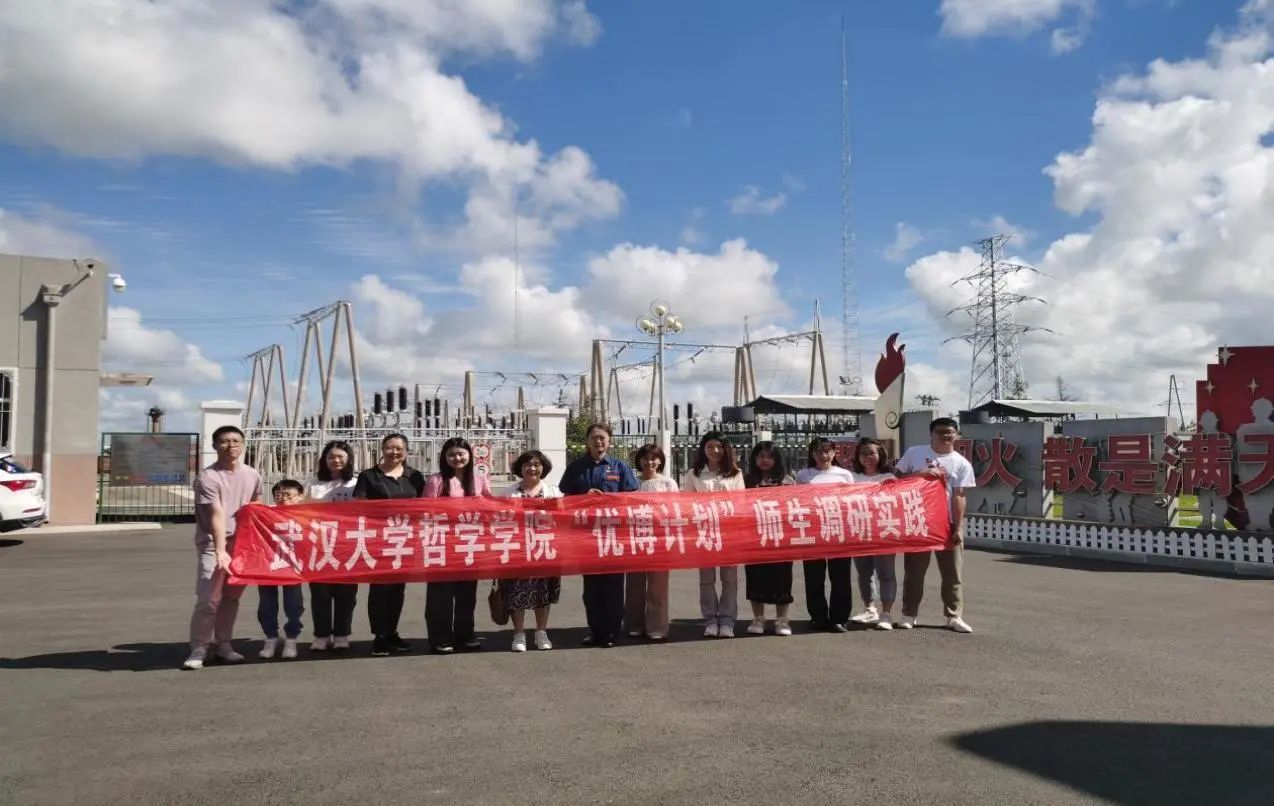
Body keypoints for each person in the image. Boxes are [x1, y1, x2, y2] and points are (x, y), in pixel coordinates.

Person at [182, 425, 264, 670]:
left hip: (242, 544)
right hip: (213, 543)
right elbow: (216, 515)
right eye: (225, 441)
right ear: (215, 446)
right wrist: (220, 551)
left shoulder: (252, 474)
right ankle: (200, 647)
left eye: (236, 441)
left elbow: (256, 506)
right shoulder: (208, 477)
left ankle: (223, 644)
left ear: (243, 444)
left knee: (231, 597)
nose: (231, 446)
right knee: (208, 599)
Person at [558, 422, 639, 648]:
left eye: (602, 437)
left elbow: (631, 497)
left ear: (609, 441)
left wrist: (607, 498)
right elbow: (566, 499)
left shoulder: (619, 467)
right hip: (587, 536)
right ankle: (595, 631)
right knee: (592, 588)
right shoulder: (576, 467)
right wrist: (585, 497)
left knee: (613, 586)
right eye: (594, 437)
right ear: (587, 441)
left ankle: (612, 632)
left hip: (614, 536)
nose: (598, 441)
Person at [894, 417, 976, 633]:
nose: (945, 436)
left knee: (952, 573)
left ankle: (954, 616)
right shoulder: (915, 453)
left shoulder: (961, 463)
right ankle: (909, 614)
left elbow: (959, 496)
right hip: (919, 521)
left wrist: (958, 527)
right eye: (940, 432)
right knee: (914, 572)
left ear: (957, 435)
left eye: (950, 432)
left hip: (947, 523)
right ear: (931, 434)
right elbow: (896, 480)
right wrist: (920, 474)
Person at [354, 432, 425, 656]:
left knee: (397, 589)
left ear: (406, 451)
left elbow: (425, 506)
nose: (394, 452)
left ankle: (392, 632)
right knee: (380, 589)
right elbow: (360, 506)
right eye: (389, 448)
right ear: (382, 449)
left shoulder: (415, 476)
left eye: (399, 449)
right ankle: (380, 636)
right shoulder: (369, 476)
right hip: (379, 540)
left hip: (406, 539)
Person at [423, 436, 493, 654]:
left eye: (461, 454)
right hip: (441, 544)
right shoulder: (436, 481)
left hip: (470, 542)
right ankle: (440, 638)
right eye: (451, 454)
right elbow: (425, 511)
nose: (457, 458)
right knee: (440, 594)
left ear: (469, 456)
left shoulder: (479, 480)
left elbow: (490, 507)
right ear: (444, 457)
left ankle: (465, 635)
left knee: (467, 593)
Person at [681, 431, 745, 638]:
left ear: (726, 449)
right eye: (710, 447)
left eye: (719, 447)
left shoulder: (735, 473)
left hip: (729, 532)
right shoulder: (694, 474)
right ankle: (710, 619)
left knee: (730, 579)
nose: (715, 451)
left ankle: (727, 620)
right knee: (706, 579)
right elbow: (687, 504)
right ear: (703, 449)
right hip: (704, 532)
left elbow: (741, 503)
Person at [499, 449, 562, 652]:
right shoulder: (508, 493)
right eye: (527, 465)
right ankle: (519, 634)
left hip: (545, 548)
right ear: (520, 468)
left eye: (536, 464)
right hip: (518, 550)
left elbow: (564, 518)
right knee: (516, 592)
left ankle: (541, 632)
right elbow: (499, 520)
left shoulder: (554, 492)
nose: (532, 468)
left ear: (543, 468)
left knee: (543, 592)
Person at [796, 437, 857, 633]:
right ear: (812, 454)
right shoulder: (804, 475)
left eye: (827, 451)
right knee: (814, 577)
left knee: (841, 577)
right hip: (813, 529)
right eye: (818, 451)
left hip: (838, 530)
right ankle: (818, 617)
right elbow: (797, 501)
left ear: (833, 452)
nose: (823, 455)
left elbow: (852, 502)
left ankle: (839, 618)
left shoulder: (844, 475)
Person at [306, 440, 359, 651]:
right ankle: (321, 635)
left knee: (346, 594)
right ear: (324, 460)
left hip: (348, 546)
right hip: (319, 546)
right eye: (331, 457)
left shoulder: (355, 484)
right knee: (320, 594)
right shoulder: (314, 484)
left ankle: (341, 635)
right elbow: (300, 511)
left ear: (348, 460)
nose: (335, 460)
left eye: (340, 457)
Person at [743, 441, 796, 637]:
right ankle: (758, 618)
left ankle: (782, 619)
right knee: (755, 578)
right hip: (754, 538)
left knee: (782, 579)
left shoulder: (787, 481)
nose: (765, 460)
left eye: (769, 456)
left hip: (780, 538)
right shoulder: (746, 481)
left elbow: (794, 507)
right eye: (761, 456)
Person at [625, 443, 677, 641]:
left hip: (660, 539)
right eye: (645, 458)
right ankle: (634, 624)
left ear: (660, 461)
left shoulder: (668, 483)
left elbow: (676, 510)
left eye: (654, 458)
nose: (649, 462)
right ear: (639, 461)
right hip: (635, 539)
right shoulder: (631, 482)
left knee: (658, 586)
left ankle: (657, 627)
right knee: (634, 586)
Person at [847, 439, 899, 630]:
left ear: (880, 455)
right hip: (860, 530)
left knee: (886, 573)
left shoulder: (889, 477)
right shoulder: (851, 478)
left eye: (872, 453)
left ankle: (886, 613)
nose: (867, 457)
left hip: (884, 530)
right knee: (864, 572)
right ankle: (869, 608)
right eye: (863, 453)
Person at [256, 479, 307, 660]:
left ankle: (291, 638)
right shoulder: (265, 513)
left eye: (289, 495)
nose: (283, 498)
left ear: (300, 497)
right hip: (268, 564)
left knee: (293, 603)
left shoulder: (306, 515)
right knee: (266, 603)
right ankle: (271, 637)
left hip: (293, 565)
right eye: (279, 495)